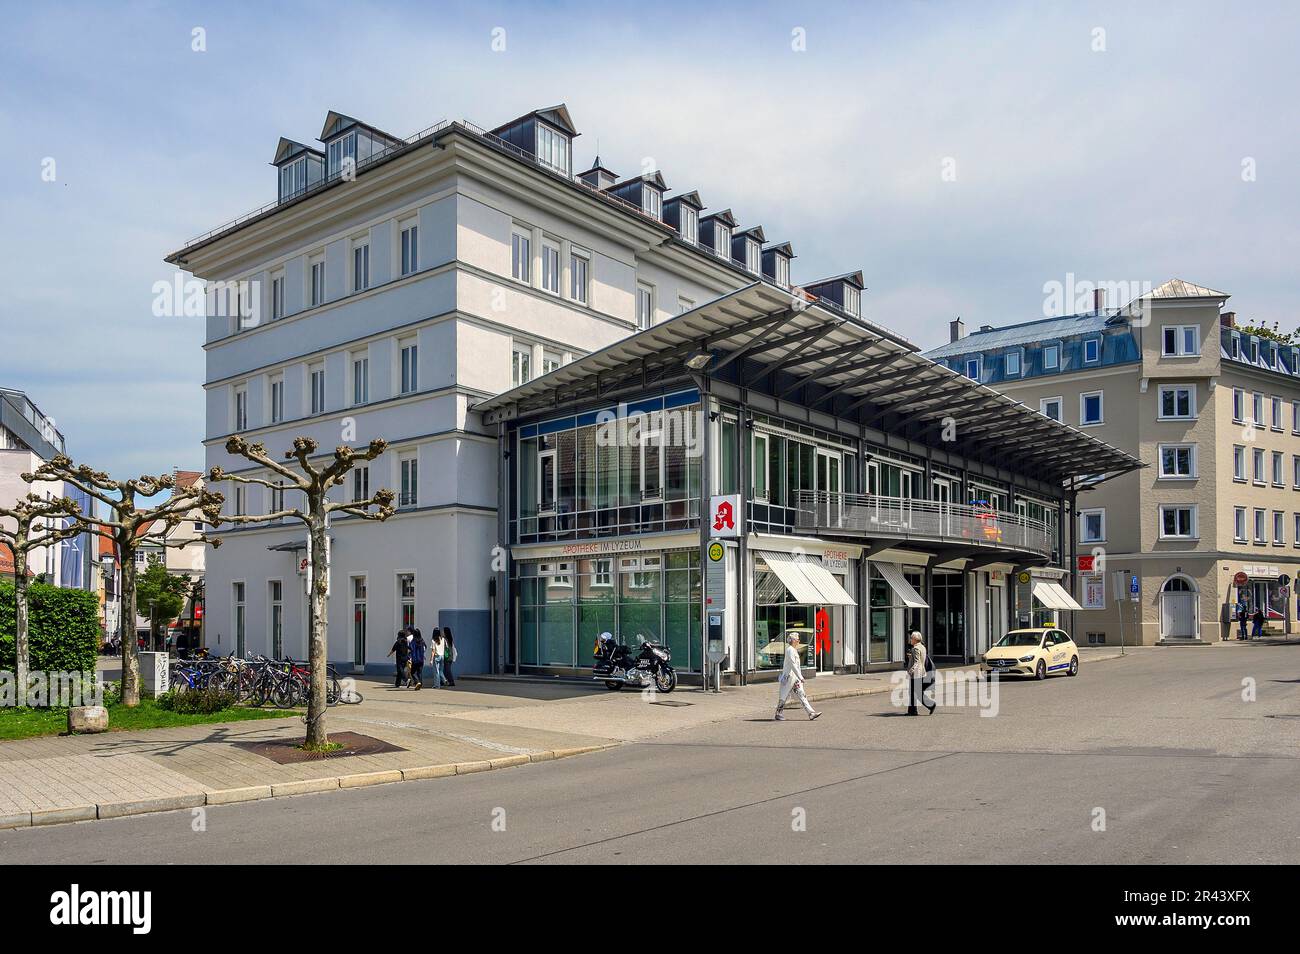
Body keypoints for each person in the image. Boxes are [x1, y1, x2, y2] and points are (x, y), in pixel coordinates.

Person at [775, 632, 820, 721]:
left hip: (794, 678)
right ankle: (778, 714)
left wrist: (798, 677)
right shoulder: (790, 650)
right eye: (797, 639)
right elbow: (793, 665)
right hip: (789, 678)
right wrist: (801, 677)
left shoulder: (793, 650)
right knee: (783, 697)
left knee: (802, 695)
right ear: (793, 640)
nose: (799, 641)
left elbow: (796, 666)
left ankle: (811, 713)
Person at [907, 632, 935, 715]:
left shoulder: (915, 648)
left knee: (915, 693)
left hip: (916, 674)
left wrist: (910, 671)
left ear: (915, 640)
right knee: (914, 693)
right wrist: (910, 656)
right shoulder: (922, 647)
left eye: (911, 638)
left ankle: (930, 705)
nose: (910, 640)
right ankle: (912, 711)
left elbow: (916, 662)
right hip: (921, 673)